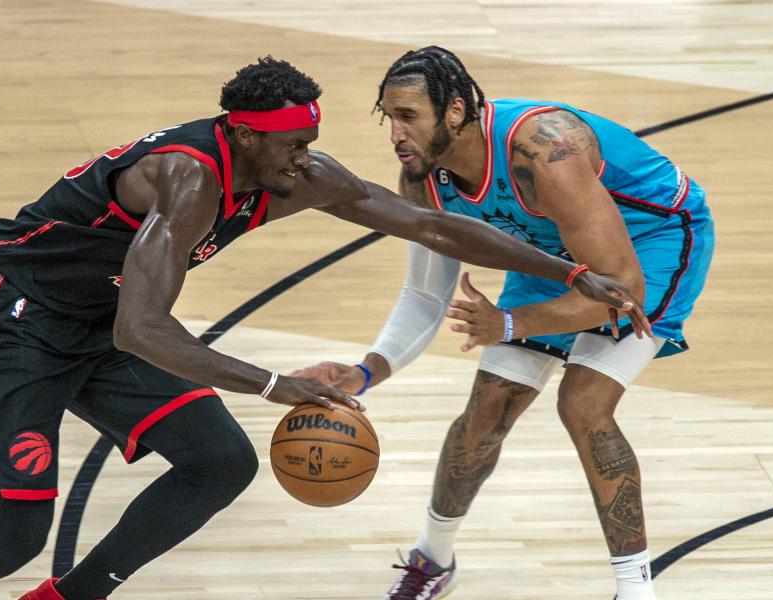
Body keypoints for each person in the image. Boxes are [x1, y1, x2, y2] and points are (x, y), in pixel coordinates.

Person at [0, 56, 647, 600]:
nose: (305, 160)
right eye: (291, 145)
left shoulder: (294, 173)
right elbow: (144, 327)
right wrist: (278, 385)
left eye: (310, 141)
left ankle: (74, 597)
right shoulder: (185, 180)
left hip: (102, 322)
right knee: (14, 534)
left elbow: (427, 225)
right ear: (243, 135)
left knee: (218, 463)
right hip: (24, 320)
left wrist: (570, 273)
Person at [293, 46, 714, 600]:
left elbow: (621, 289)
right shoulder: (423, 179)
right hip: (550, 251)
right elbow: (425, 293)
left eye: (409, 117)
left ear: (456, 112)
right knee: (485, 411)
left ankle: (636, 591)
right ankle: (433, 559)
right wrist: (365, 372)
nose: (396, 133)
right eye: (389, 117)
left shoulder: (544, 153)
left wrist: (510, 323)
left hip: (650, 244)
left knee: (583, 404)